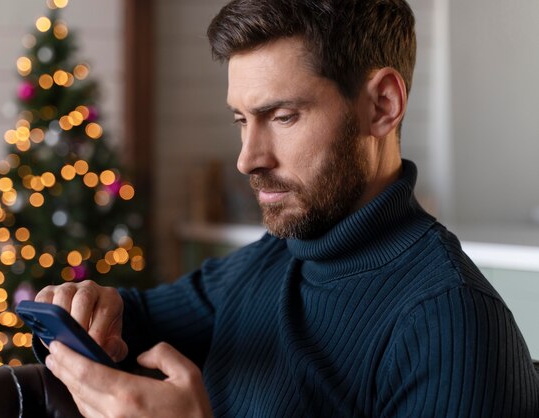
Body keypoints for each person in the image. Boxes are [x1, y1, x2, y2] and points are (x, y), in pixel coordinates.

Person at [37, 0, 539, 416]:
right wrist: (87, 307)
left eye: (282, 116)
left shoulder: (452, 325)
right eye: (241, 119)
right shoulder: (274, 255)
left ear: (383, 105)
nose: (247, 158)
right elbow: (134, 316)